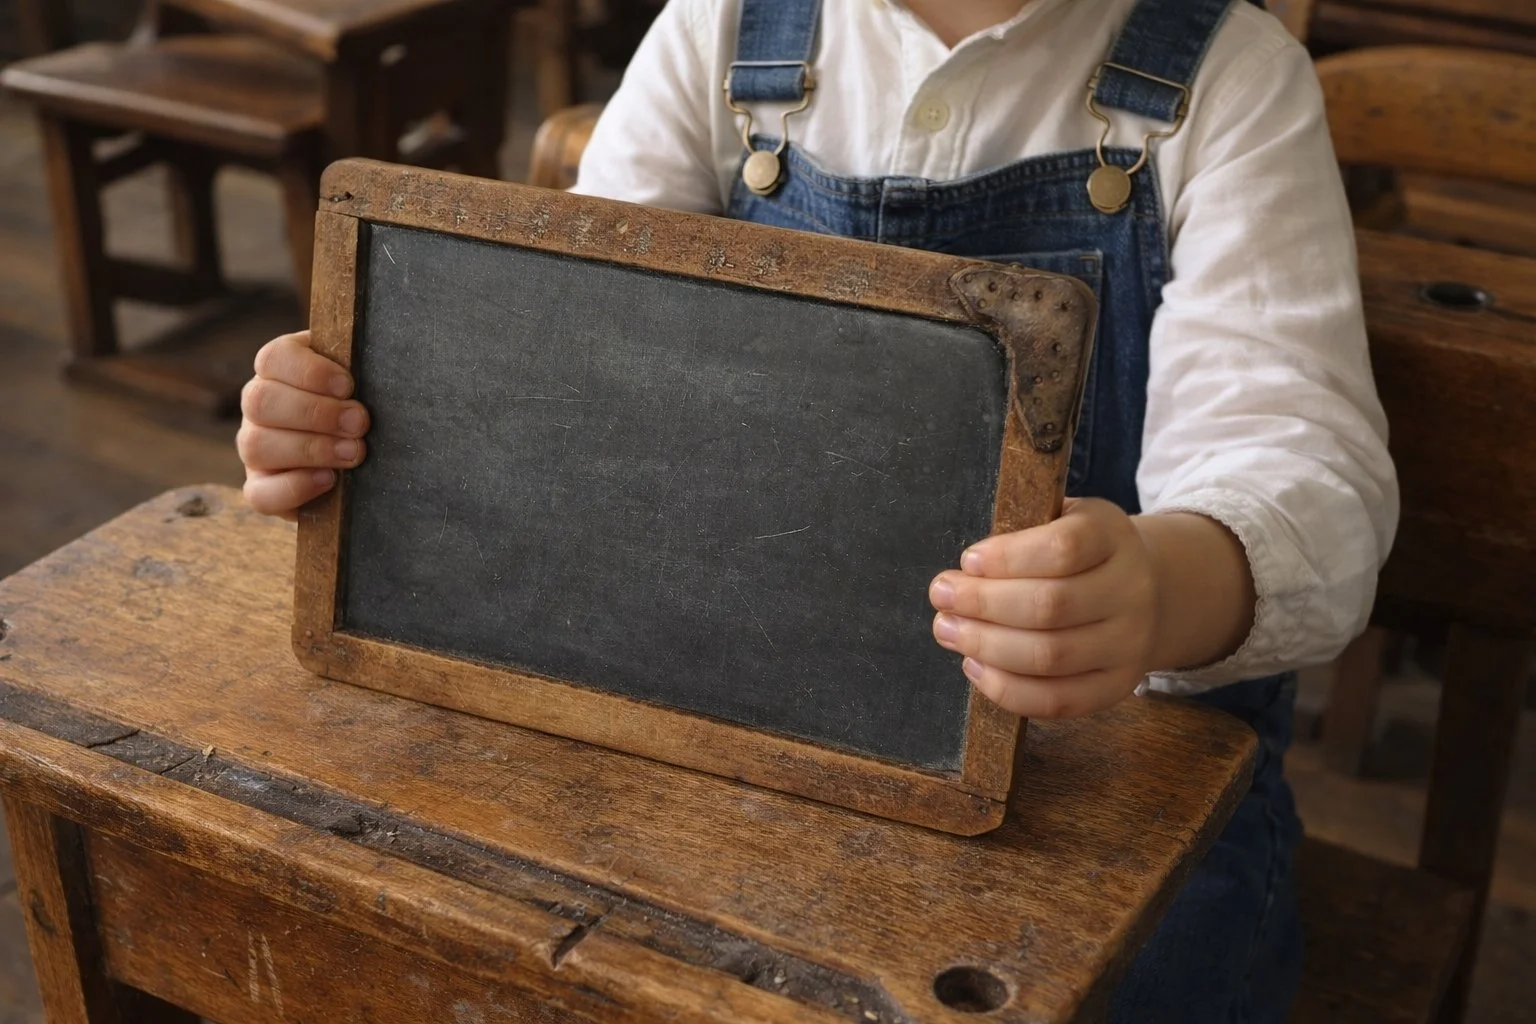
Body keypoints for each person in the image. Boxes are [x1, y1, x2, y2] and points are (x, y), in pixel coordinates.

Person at [235, 0, 1399, 1019]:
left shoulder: (1229, 76)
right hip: (749, 727)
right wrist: (365, 415)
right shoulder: (726, 27)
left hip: (1106, 776)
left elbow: (1302, 466)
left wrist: (1158, 587)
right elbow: (568, 355)